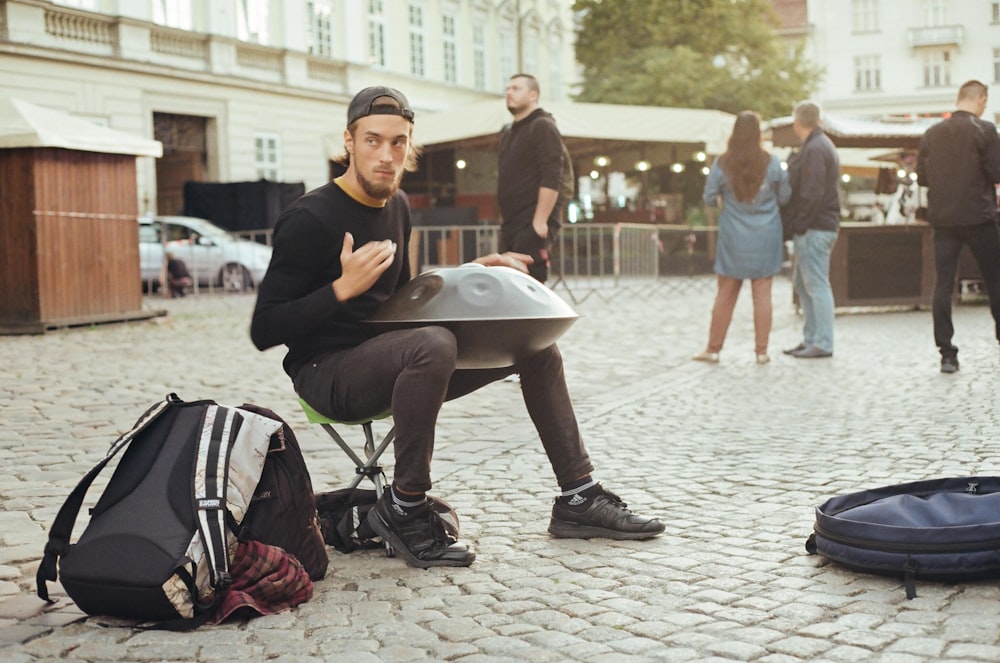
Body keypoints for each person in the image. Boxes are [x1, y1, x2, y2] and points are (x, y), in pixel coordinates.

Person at [250, 86, 664, 569]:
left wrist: (471, 272)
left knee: (535, 346)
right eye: (373, 141)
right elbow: (266, 327)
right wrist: (340, 289)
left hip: (391, 356)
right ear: (348, 141)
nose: (387, 155)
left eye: (399, 142)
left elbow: (400, 306)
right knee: (433, 343)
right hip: (327, 375)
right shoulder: (308, 217)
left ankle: (578, 497)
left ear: (410, 145)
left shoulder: (397, 205)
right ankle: (405, 508)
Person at [693, 111, 791, 365]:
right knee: (763, 295)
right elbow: (785, 196)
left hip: (733, 236)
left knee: (725, 294)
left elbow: (708, 197)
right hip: (766, 234)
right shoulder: (771, 162)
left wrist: (728, 205)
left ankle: (713, 349)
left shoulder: (722, 163)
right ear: (759, 134)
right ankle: (762, 352)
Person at [915, 79, 1000, 374]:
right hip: (980, 216)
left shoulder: (931, 133)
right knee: (995, 280)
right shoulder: (985, 130)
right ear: (981, 99)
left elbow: (922, 177)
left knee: (943, 284)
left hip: (944, 219)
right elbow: (997, 171)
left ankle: (947, 354)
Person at [781, 101, 840, 359]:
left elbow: (811, 192)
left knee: (815, 284)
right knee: (804, 285)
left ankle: (823, 342)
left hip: (815, 227)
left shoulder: (815, 149)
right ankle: (812, 338)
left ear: (797, 123)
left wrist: (800, 224)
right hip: (818, 226)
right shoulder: (820, 144)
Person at [497, 73, 565, 284]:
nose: (509, 93)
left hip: (531, 223)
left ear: (533, 95)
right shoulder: (508, 132)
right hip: (511, 224)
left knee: (531, 285)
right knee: (509, 284)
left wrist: (540, 221)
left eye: (516, 88)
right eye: (508, 88)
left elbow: (553, 174)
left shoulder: (542, 126)